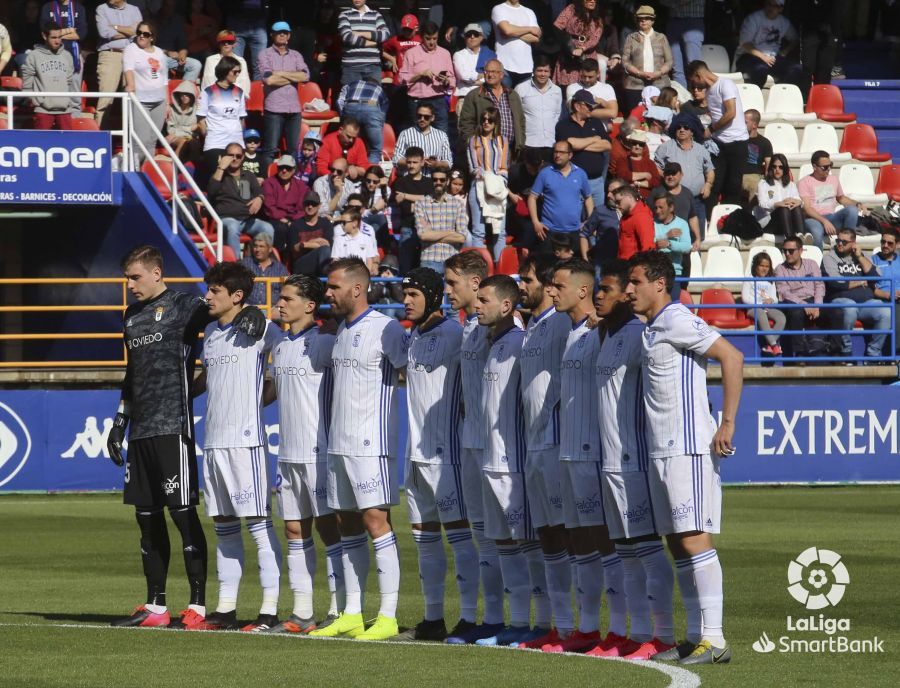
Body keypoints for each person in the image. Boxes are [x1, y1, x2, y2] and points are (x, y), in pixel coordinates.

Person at [106, 245, 263, 630]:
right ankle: (156, 606)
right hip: (141, 431)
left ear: (157, 273)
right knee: (146, 519)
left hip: (174, 427)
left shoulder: (185, 305)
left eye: (135, 278)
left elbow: (228, 305)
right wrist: (120, 422)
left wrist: (256, 311)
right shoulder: (131, 316)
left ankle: (197, 606)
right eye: (128, 279)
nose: (130, 286)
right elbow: (134, 375)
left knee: (182, 515)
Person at [625, 249, 744, 665]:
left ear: (659, 283)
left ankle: (716, 638)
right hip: (661, 450)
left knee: (694, 539)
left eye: (635, 281)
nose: (629, 289)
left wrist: (726, 423)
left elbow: (732, 356)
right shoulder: (651, 327)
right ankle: (695, 636)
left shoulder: (676, 318)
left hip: (688, 447)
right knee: (677, 543)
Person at [307, 257, 408, 641]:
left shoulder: (387, 328)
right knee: (346, 523)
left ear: (356, 288)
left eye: (333, 287)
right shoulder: (341, 332)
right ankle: (352, 612)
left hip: (371, 444)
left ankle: (388, 615)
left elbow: (410, 369)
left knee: (374, 521)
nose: (327, 293)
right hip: (339, 444)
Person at [588, 258, 676, 659]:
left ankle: (664, 635)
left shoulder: (642, 335)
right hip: (609, 460)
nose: (598, 295)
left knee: (645, 547)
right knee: (623, 550)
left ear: (628, 292)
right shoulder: (605, 336)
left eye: (606, 289)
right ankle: (635, 632)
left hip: (634, 459)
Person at [192, 261, 283, 633]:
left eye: (215, 290)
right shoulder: (211, 331)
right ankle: (226, 609)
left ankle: (269, 611)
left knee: (259, 526)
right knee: (224, 526)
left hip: (247, 445)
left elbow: (287, 362)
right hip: (213, 443)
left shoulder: (262, 330)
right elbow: (207, 377)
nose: (208, 295)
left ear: (238, 296)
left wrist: (255, 402)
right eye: (208, 289)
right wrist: (177, 392)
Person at [397, 267, 480, 642]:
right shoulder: (412, 336)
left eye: (414, 294)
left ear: (431, 296)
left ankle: (468, 617)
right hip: (415, 455)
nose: (406, 301)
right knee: (424, 537)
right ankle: (432, 618)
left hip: (447, 455)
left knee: (459, 537)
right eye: (404, 294)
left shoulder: (454, 335)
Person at [511, 254, 581, 650]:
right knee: (547, 538)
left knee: (571, 536)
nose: (524, 285)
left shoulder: (560, 322)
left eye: (529, 278)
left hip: (557, 443)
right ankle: (560, 625)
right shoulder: (532, 327)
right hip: (534, 444)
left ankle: (579, 626)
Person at [266, 274, 344, 634]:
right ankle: (301, 613)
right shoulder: (280, 344)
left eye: (287, 298)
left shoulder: (326, 341)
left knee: (330, 530)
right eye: (280, 298)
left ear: (310, 305)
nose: (280, 304)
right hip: (288, 454)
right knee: (294, 530)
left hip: (320, 453)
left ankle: (340, 608)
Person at [442, 251, 507, 644]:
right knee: (482, 535)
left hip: (494, 446)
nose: (447, 290)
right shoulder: (468, 328)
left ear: (476, 283)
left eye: (452, 283)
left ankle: (509, 619)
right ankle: (487, 618)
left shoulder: (498, 327)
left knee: (503, 537)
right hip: (470, 441)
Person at [471, 274, 534, 646]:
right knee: (504, 545)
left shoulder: (519, 344)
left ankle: (535, 623)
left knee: (525, 544)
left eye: (484, 300)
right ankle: (514, 623)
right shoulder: (493, 344)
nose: (477, 306)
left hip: (514, 463)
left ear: (506, 306)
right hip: (490, 460)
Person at [821, 229, 892, 361]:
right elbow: (836, 283)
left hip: (866, 303)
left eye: (844, 242)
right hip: (840, 301)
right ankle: (845, 350)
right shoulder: (829, 257)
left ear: (853, 243)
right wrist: (861, 281)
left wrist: (859, 257)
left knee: (886, 312)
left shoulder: (863, 256)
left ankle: (873, 354)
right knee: (850, 307)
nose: (840, 244)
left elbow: (875, 277)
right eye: (838, 240)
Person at [686, 61, 749, 208]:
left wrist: (711, 130)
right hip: (718, 144)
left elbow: (731, 112)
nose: (693, 85)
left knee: (733, 186)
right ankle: (710, 220)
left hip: (736, 142)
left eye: (693, 80)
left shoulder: (725, 84)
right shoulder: (708, 91)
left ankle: (729, 222)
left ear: (699, 75)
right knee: (713, 183)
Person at [207, 141, 275, 259]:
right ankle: (237, 266)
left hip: (247, 220)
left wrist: (260, 198)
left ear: (243, 157)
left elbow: (259, 191)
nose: (234, 158)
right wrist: (221, 167)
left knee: (267, 228)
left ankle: (260, 264)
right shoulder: (219, 175)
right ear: (224, 156)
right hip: (226, 219)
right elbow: (211, 191)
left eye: (238, 156)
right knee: (233, 226)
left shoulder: (248, 175)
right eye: (231, 155)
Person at [257, 22, 308, 170]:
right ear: (271, 34)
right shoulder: (264, 54)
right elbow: (269, 79)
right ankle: (267, 182)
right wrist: (293, 76)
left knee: (293, 150)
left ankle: (292, 183)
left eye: (285, 32)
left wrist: (279, 73)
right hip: (274, 109)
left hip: (294, 110)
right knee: (270, 149)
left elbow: (305, 76)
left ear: (289, 35)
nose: (282, 35)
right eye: (279, 32)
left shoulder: (296, 55)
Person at [529, 140, 594, 254]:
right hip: (549, 231)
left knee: (572, 268)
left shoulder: (580, 174)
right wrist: (536, 222)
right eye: (555, 152)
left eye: (561, 152)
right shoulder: (545, 173)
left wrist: (589, 220)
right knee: (548, 268)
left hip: (574, 231)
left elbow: (588, 198)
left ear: (570, 155)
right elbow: (532, 197)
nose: (557, 155)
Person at [654, 113, 713, 236]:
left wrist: (708, 184)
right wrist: (668, 181)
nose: (682, 130)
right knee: (676, 235)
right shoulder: (665, 148)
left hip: (697, 200)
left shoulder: (701, 149)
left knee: (698, 237)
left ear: (692, 131)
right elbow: (656, 167)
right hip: (674, 199)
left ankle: (696, 255)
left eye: (686, 127)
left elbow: (710, 171)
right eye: (678, 127)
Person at [466, 107, 510, 262]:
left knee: (500, 231)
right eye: (483, 119)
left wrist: (498, 181)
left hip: (497, 187)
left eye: (490, 120)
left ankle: (500, 267)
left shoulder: (503, 140)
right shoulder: (474, 140)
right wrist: (486, 177)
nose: (486, 122)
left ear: (495, 122)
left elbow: (504, 166)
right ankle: (480, 266)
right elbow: (473, 166)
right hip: (479, 184)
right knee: (478, 231)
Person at [556, 89, 611, 210]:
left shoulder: (596, 122)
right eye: (589, 106)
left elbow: (607, 145)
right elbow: (569, 144)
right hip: (574, 182)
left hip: (597, 182)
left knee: (597, 219)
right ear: (577, 106)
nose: (592, 109)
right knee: (576, 216)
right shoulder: (563, 125)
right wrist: (594, 139)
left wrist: (580, 144)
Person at [459, 59, 526, 158]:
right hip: (484, 152)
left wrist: (520, 143)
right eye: (487, 71)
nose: (490, 75)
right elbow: (465, 125)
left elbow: (520, 121)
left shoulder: (512, 95)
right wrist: (475, 146)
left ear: (501, 75)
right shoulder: (474, 95)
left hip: (510, 152)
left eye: (494, 71)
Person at [774, 236, 826, 360]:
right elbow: (785, 293)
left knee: (837, 312)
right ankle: (799, 352)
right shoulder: (780, 269)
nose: (787, 254)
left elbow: (819, 285)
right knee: (796, 313)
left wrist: (817, 305)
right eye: (784, 250)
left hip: (813, 300)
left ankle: (838, 351)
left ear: (800, 250)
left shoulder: (811, 264)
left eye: (790, 251)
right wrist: (804, 305)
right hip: (794, 302)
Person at [735, 0, 805, 93]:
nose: (771, 8)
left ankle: (780, 95)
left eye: (775, 6)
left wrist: (785, 51)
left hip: (773, 57)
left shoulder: (784, 22)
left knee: (797, 69)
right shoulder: (753, 19)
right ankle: (754, 97)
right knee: (760, 70)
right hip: (749, 56)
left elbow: (795, 39)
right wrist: (763, 57)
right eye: (769, 4)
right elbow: (745, 44)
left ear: (781, 8)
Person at [124, 21, 168, 165]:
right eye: (139, 33)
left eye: (146, 34)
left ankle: (146, 173)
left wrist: (167, 102)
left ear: (152, 37)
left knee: (151, 141)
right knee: (140, 141)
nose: (141, 36)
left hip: (159, 101)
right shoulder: (131, 49)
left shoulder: (160, 52)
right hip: (140, 100)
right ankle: (134, 170)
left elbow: (164, 79)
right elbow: (128, 69)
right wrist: (131, 85)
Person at [399, 21, 455, 134]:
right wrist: (420, 75)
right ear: (421, 37)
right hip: (417, 101)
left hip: (438, 100)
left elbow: (452, 79)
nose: (432, 42)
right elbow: (401, 79)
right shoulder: (411, 53)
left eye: (435, 38)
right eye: (428, 39)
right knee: (417, 135)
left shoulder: (445, 53)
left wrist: (446, 81)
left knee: (442, 135)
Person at [197, 56, 247, 183]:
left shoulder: (239, 92)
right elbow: (201, 119)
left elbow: (241, 119)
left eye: (239, 72)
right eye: (235, 72)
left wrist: (241, 139)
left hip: (236, 143)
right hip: (216, 143)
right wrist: (208, 134)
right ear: (225, 70)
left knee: (239, 179)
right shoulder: (207, 92)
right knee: (219, 179)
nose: (237, 74)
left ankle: (242, 201)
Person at [94, 0, 143, 129]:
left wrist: (115, 27)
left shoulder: (134, 9)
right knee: (106, 99)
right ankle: (100, 140)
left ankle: (130, 142)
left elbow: (138, 33)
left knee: (131, 99)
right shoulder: (102, 8)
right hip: (111, 55)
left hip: (131, 55)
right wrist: (129, 31)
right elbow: (104, 32)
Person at [798, 151, 860, 249]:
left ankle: (850, 248)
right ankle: (819, 262)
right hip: (813, 219)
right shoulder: (804, 182)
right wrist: (824, 221)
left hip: (832, 218)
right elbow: (807, 208)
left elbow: (841, 198)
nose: (828, 169)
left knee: (852, 210)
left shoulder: (833, 179)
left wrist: (858, 204)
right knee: (816, 233)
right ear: (815, 167)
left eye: (830, 165)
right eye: (825, 167)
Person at [21, 22, 78, 130]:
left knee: (68, 143)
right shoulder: (34, 55)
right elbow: (27, 81)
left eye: (60, 37)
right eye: (53, 37)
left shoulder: (67, 55)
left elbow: (69, 81)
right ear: (44, 36)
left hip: (64, 109)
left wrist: (67, 100)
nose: (57, 41)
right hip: (43, 109)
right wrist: (35, 100)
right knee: (40, 143)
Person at [621, 6, 673, 115]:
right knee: (635, 116)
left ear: (653, 20)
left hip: (660, 83)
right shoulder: (631, 38)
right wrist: (639, 73)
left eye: (647, 18)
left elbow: (670, 61)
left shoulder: (661, 37)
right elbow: (625, 61)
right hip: (635, 84)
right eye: (640, 18)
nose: (643, 20)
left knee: (661, 115)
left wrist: (658, 73)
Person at [413, 170, 469, 273]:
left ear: (447, 181)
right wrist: (450, 232)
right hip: (429, 259)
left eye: (442, 180)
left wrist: (433, 236)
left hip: (452, 259)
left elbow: (461, 237)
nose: (438, 182)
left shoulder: (458, 204)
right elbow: (423, 235)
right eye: (435, 180)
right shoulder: (421, 204)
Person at [392, 146, 435, 274]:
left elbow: (431, 203)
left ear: (422, 162)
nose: (411, 166)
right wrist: (423, 201)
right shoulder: (400, 182)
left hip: (427, 228)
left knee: (424, 269)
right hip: (408, 228)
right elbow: (407, 208)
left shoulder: (429, 182)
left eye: (415, 162)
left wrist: (405, 196)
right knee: (406, 268)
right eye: (409, 162)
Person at [515, 55, 562, 162]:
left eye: (546, 71)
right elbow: (517, 116)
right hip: (529, 144)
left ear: (550, 71)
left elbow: (557, 115)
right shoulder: (521, 88)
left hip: (550, 143)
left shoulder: (557, 90)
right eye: (539, 70)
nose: (543, 74)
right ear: (533, 71)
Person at [263, 154, 310, 254]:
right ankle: (279, 257)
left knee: (302, 227)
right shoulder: (269, 183)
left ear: (293, 170)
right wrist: (284, 219)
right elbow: (269, 207)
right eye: (281, 168)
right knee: (281, 229)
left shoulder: (300, 185)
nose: (284, 171)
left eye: (288, 168)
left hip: (294, 219)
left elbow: (301, 207)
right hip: (275, 219)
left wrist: (292, 220)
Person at [649, 163, 701, 253]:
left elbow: (692, 217)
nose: (670, 177)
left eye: (673, 174)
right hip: (661, 247)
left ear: (681, 175)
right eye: (667, 174)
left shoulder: (687, 193)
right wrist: (664, 236)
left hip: (682, 243)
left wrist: (698, 238)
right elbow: (648, 217)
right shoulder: (656, 192)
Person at [553, 0, 605, 87]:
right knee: (567, 87)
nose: (593, 1)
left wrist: (582, 48)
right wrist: (570, 47)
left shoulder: (597, 17)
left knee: (587, 87)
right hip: (569, 54)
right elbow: (558, 26)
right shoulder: (571, 9)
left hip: (588, 56)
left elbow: (595, 38)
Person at [742, 252, 786, 356]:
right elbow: (745, 299)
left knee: (781, 317)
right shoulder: (749, 279)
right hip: (753, 308)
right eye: (761, 265)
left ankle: (769, 345)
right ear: (756, 266)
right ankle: (775, 345)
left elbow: (775, 299)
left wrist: (771, 300)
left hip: (768, 308)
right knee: (761, 313)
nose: (764, 269)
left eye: (767, 266)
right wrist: (760, 303)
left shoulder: (770, 280)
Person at [336, 77, 388, 164]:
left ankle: (347, 169)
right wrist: (377, 125)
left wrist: (344, 118)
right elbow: (383, 110)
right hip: (372, 107)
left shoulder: (352, 84)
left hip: (351, 104)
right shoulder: (379, 89)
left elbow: (339, 101)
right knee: (375, 149)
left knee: (350, 143)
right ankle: (368, 174)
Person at [338, 0, 390, 85]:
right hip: (351, 67)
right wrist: (371, 43)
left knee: (372, 97)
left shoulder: (376, 15)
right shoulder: (344, 14)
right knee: (352, 97)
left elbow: (385, 34)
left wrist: (360, 33)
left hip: (373, 66)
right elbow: (347, 37)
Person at [394, 102, 453, 174]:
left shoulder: (442, 135)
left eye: (426, 117)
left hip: (433, 180)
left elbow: (449, 162)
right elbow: (396, 160)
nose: (422, 119)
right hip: (411, 180)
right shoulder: (405, 134)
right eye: (419, 116)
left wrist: (436, 164)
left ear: (432, 118)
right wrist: (416, 162)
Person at [491, 0, 541, 86]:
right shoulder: (499, 9)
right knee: (503, 98)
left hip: (526, 67)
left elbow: (536, 37)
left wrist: (512, 32)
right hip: (504, 66)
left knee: (522, 99)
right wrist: (529, 29)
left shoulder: (529, 12)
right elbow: (507, 30)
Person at [653, 193, 692, 302]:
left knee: (671, 307)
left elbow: (687, 247)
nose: (657, 211)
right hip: (655, 274)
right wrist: (666, 235)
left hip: (674, 273)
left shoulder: (682, 223)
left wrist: (669, 244)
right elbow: (649, 242)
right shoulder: (652, 223)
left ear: (671, 208)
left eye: (661, 207)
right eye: (655, 207)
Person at [754, 153, 804, 239]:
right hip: (769, 223)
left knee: (796, 207)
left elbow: (798, 201)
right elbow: (762, 204)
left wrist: (798, 202)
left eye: (780, 167)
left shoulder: (791, 184)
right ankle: (791, 240)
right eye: (774, 167)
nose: (777, 170)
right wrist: (777, 204)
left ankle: (801, 235)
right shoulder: (763, 184)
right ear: (771, 168)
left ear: (785, 169)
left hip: (788, 220)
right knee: (783, 209)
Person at [40, 0, 87, 87]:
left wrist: (55, 35)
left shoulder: (79, 8)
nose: (57, 38)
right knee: (53, 87)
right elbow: (45, 31)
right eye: (55, 37)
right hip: (51, 54)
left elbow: (81, 34)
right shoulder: (47, 7)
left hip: (74, 54)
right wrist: (70, 30)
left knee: (74, 91)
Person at [581, 177, 625, 271]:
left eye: (613, 192)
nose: (608, 195)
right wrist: (585, 260)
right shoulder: (600, 211)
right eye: (608, 191)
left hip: (624, 263)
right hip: (602, 264)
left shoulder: (631, 212)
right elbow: (584, 234)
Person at [563, 59, 618, 130]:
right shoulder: (572, 88)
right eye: (584, 76)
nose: (587, 80)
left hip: (601, 132)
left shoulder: (607, 88)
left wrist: (583, 110)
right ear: (580, 72)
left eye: (590, 77)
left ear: (598, 74)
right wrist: (601, 105)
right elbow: (574, 110)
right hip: (580, 130)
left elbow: (613, 113)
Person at [154, 0, 201, 83]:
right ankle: (164, 91)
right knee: (162, 60)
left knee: (196, 65)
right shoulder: (153, 21)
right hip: (156, 56)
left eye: (172, 7)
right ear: (161, 6)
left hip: (173, 58)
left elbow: (182, 43)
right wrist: (167, 52)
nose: (169, 9)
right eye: (167, 6)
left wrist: (183, 53)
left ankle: (182, 92)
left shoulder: (177, 21)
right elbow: (149, 46)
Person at [290, 191, 334, 277]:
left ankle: (325, 279)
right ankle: (326, 278)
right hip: (301, 265)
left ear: (319, 206)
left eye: (313, 204)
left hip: (321, 263)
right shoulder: (295, 225)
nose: (310, 207)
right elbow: (294, 250)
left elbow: (327, 245)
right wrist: (316, 241)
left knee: (325, 251)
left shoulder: (326, 223)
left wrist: (306, 244)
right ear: (303, 205)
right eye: (307, 204)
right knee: (324, 250)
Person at [452, 23, 497, 107]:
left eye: (475, 34)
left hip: (485, 96)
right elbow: (464, 76)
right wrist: (482, 75)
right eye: (469, 35)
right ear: (464, 37)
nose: (472, 37)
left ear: (481, 37)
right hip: (465, 97)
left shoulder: (490, 55)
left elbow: (493, 76)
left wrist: (474, 81)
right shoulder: (458, 55)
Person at [240, 233, 289, 308]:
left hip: (273, 309)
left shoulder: (280, 269)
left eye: (261, 246)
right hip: (248, 307)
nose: (257, 249)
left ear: (269, 249)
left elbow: (286, 291)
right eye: (255, 246)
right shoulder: (244, 264)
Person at [871, 230, 900, 355]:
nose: (885, 245)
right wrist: (888, 295)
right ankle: (895, 355)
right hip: (881, 298)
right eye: (883, 242)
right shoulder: (872, 260)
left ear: (897, 245)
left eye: (890, 243)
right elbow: (870, 287)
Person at [316, 115, 369, 182]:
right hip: (330, 179)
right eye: (348, 136)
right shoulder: (327, 141)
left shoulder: (359, 142)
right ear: (340, 130)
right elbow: (321, 168)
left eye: (354, 138)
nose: (351, 140)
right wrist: (338, 177)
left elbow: (365, 169)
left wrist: (356, 169)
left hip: (353, 182)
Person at [665, 0, 705, 87]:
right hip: (673, 21)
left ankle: (697, 96)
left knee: (694, 65)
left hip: (693, 20)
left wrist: (676, 3)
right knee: (676, 68)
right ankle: (682, 98)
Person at [614, 129, 660, 201]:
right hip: (628, 199)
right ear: (630, 144)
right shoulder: (622, 161)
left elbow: (656, 181)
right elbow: (622, 175)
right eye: (634, 143)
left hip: (646, 200)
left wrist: (637, 183)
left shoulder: (650, 163)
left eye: (641, 144)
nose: (637, 146)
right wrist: (645, 175)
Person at [201, 30, 251, 95]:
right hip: (215, 97)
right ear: (219, 44)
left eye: (229, 42)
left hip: (236, 97)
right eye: (223, 41)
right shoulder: (210, 60)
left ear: (234, 44)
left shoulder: (241, 61)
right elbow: (208, 81)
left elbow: (245, 82)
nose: (226, 44)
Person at [615, 185, 655, 260]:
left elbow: (648, 246)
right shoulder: (627, 214)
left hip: (633, 266)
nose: (617, 205)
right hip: (624, 264)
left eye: (619, 201)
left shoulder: (641, 216)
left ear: (629, 197)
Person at [381, 13, 421, 87]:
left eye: (410, 30)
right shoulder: (395, 40)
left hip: (417, 79)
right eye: (405, 29)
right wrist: (392, 58)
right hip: (399, 79)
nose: (407, 32)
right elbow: (380, 50)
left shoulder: (421, 40)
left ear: (416, 28)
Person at [742, 109, 773, 206]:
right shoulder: (737, 139)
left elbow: (769, 165)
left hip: (754, 175)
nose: (741, 124)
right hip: (738, 173)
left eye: (745, 122)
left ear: (754, 125)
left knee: (754, 183)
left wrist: (768, 180)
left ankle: (752, 213)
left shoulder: (764, 143)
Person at [165, 81, 200, 164]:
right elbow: (170, 129)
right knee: (183, 141)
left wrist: (180, 130)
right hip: (175, 138)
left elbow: (197, 129)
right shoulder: (172, 109)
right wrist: (189, 129)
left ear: (192, 96)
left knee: (191, 143)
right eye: (182, 94)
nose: (184, 97)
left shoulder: (197, 110)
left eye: (187, 94)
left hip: (190, 138)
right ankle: (174, 164)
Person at [313, 157, 356, 222]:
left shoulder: (350, 186)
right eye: (332, 170)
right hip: (322, 220)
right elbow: (323, 211)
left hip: (341, 220)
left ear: (346, 173)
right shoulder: (320, 183)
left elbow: (351, 210)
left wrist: (337, 219)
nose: (334, 173)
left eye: (339, 172)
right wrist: (338, 193)